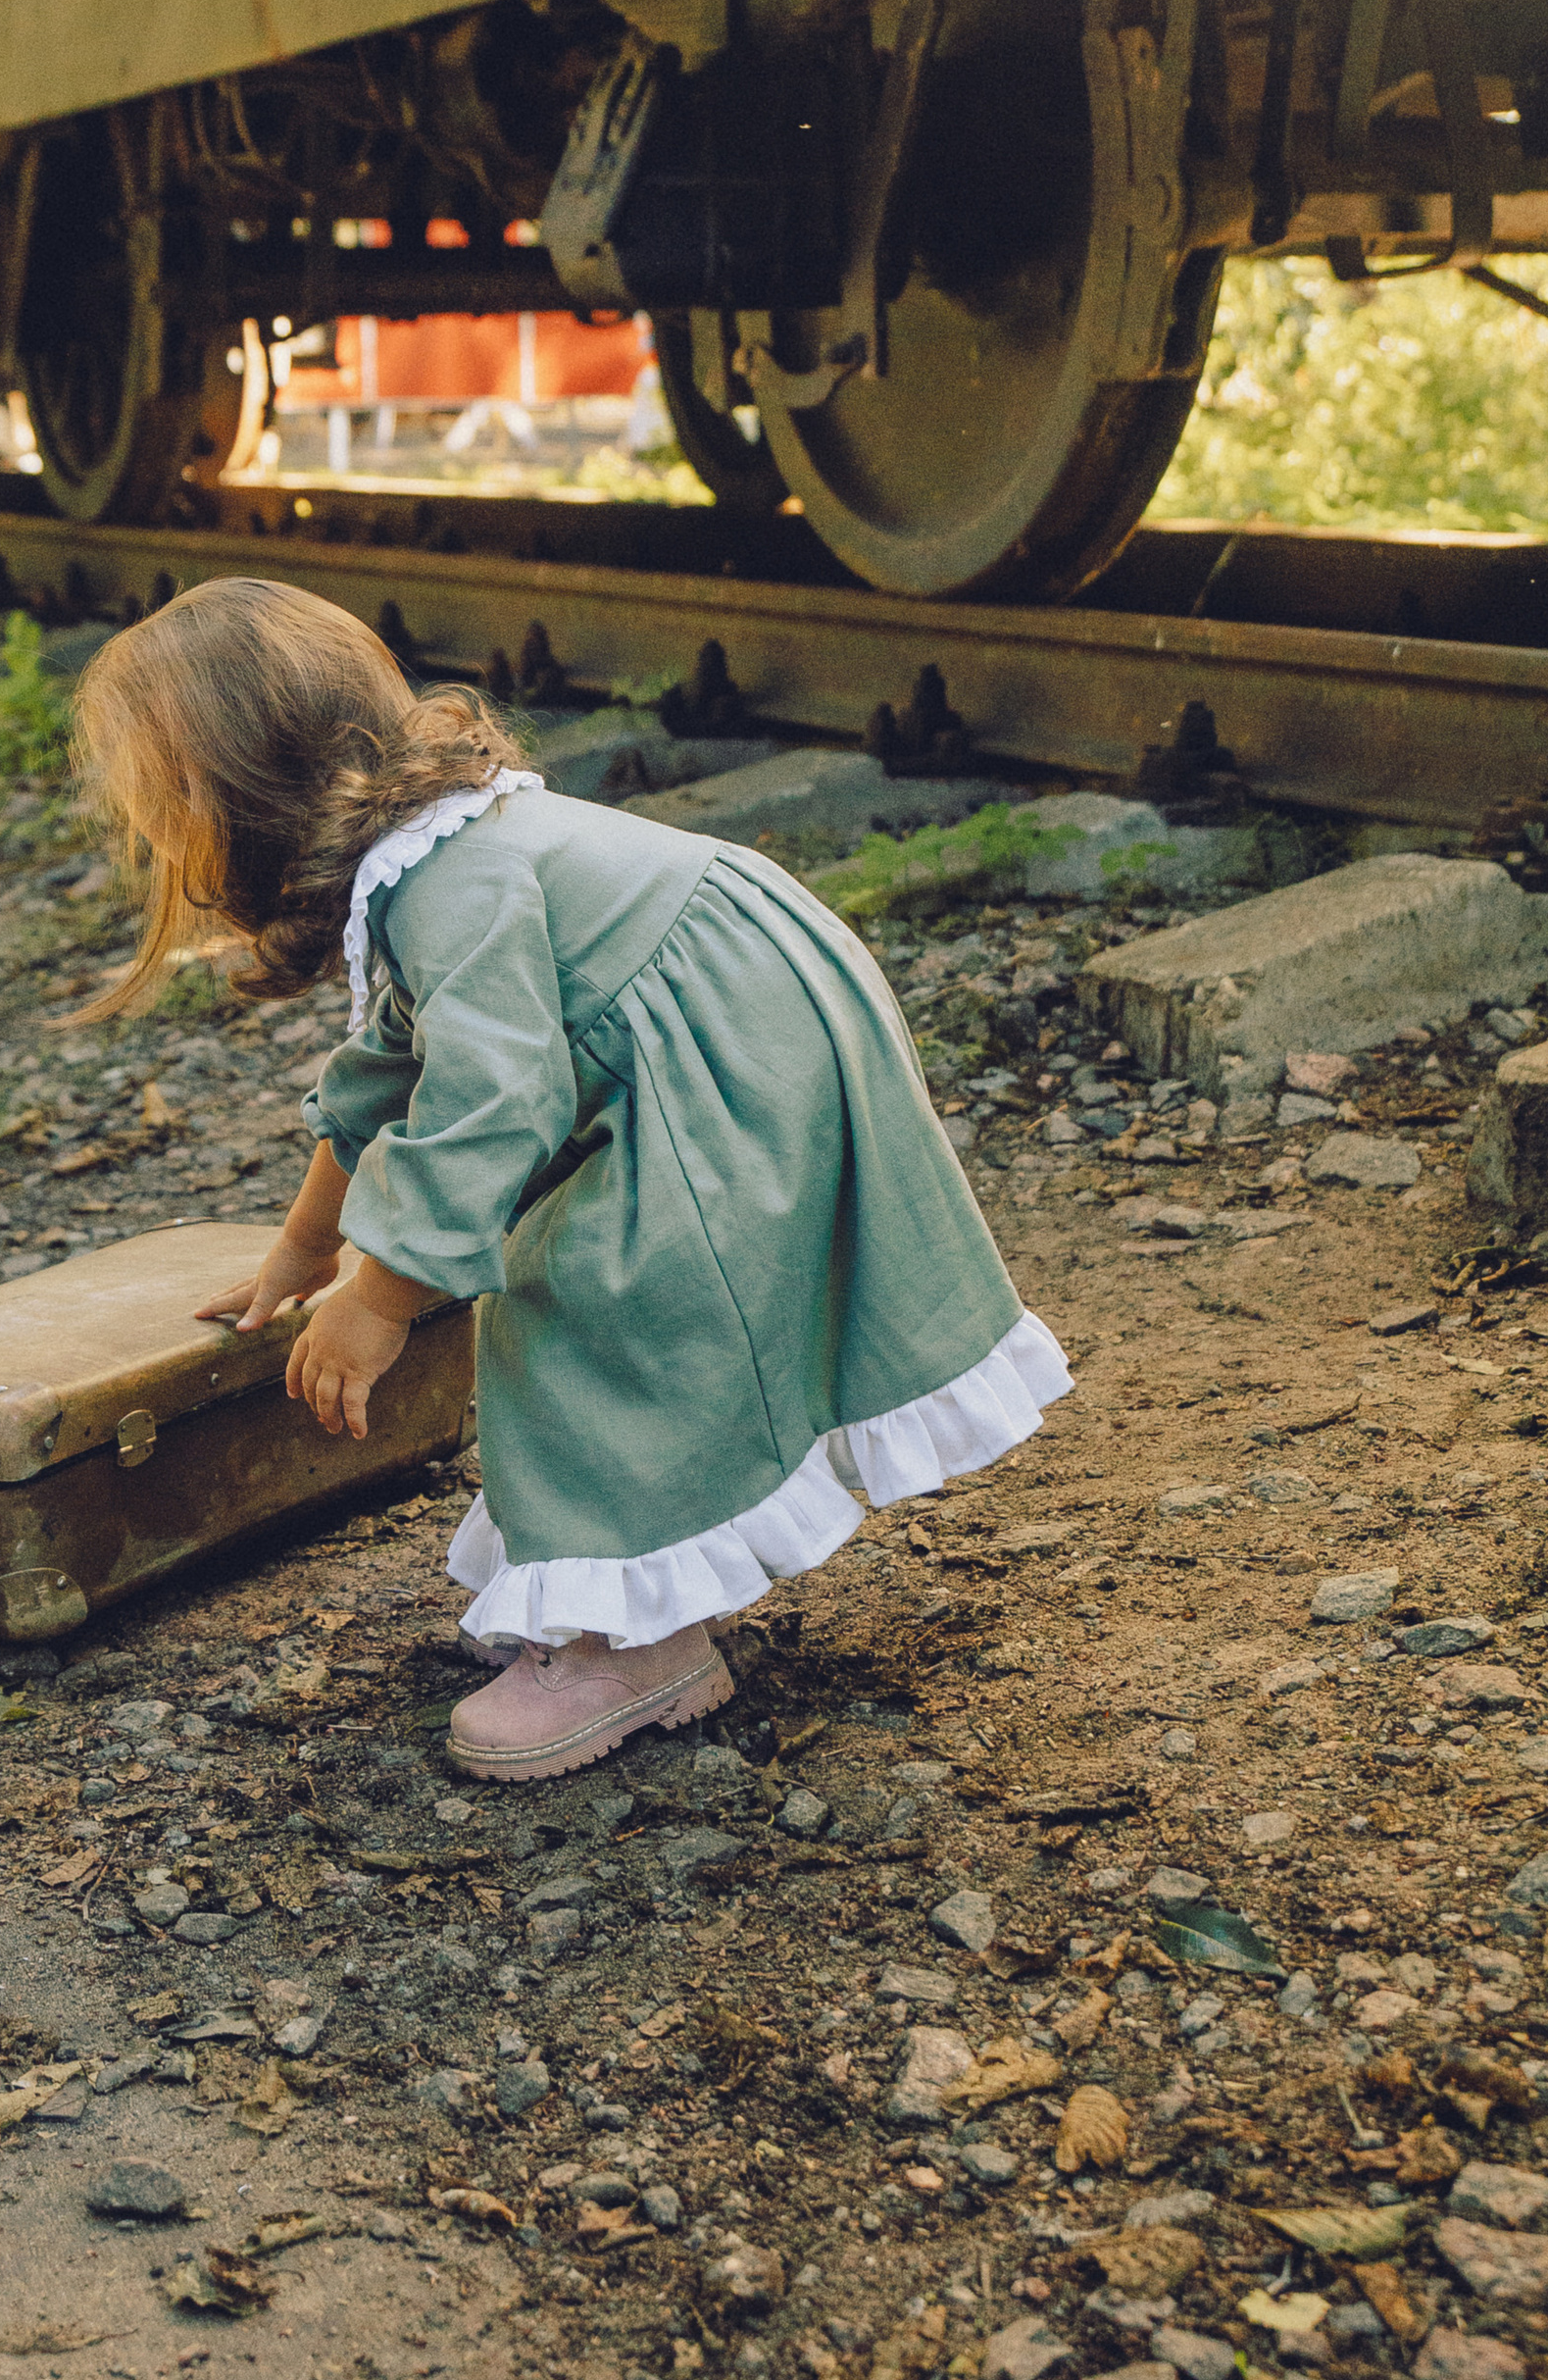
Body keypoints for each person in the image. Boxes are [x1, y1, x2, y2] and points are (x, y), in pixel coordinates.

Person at [71, 579, 1069, 1784]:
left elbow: (496, 1102)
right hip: (739, 1005)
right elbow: (393, 1059)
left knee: (587, 1301)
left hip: (724, 1052)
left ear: (234, 787)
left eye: (167, 810)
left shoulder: (451, 881)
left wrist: (381, 1299)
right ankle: (631, 1595)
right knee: (601, 1283)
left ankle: (634, 1645)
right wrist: (307, 1246)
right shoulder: (432, 852)